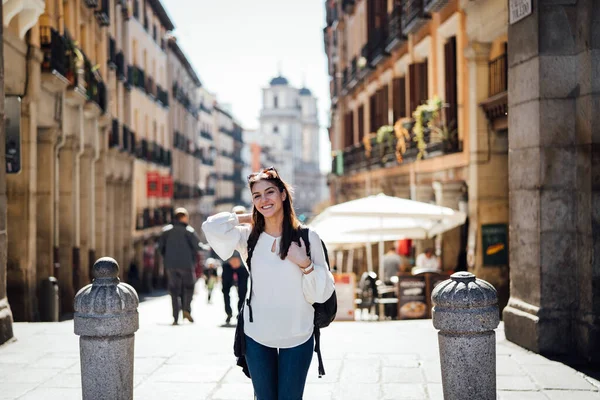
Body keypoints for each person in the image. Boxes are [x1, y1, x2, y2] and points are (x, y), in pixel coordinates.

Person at [202, 166, 335, 400]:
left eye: (270, 192)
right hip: (257, 335)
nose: (264, 199)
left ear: (283, 194)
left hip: (298, 334)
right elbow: (210, 227)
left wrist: (305, 264)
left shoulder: (307, 237)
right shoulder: (248, 237)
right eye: (257, 196)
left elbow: (321, 294)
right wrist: (248, 216)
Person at [158, 207, 204, 325]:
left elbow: (160, 249)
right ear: (183, 218)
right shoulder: (188, 231)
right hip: (187, 264)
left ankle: (175, 317)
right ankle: (186, 309)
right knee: (189, 287)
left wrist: (168, 258)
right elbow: (197, 247)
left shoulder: (166, 231)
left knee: (174, 291)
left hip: (171, 265)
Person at [221, 252, 248, 324]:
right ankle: (228, 312)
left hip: (242, 263)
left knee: (242, 291)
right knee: (225, 290)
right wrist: (229, 258)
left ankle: (240, 312)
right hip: (227, 262)